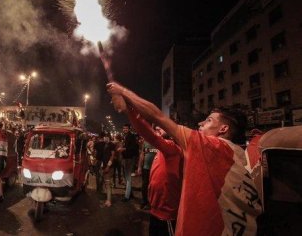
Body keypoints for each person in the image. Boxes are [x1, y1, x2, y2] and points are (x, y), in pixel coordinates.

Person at [107, 82, 262, 236]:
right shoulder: (235, 155)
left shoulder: (210, 146)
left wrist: (123, 93)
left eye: (208, 120)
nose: (200, 123)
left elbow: (157, 117)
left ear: (223, 129)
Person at [125, 104, 183, 236]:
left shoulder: (172, 148)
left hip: (166, 215)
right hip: (155, 211)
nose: (157, 127)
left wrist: (129, 109)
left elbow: (150, 134)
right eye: (156, 125)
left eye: (162, 126)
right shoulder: (162, 150)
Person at [117, 124, 138, 202]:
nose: (125, 129)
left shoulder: (131, 136)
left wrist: (123, 149)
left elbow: (134, 148)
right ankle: (130, 193)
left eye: (126, 128)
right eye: (124, 128)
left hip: (129, 158)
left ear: (129, 129)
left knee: (128, 177)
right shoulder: (126, 136)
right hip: (126, 158)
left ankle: (127, 196)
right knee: (126, 177)